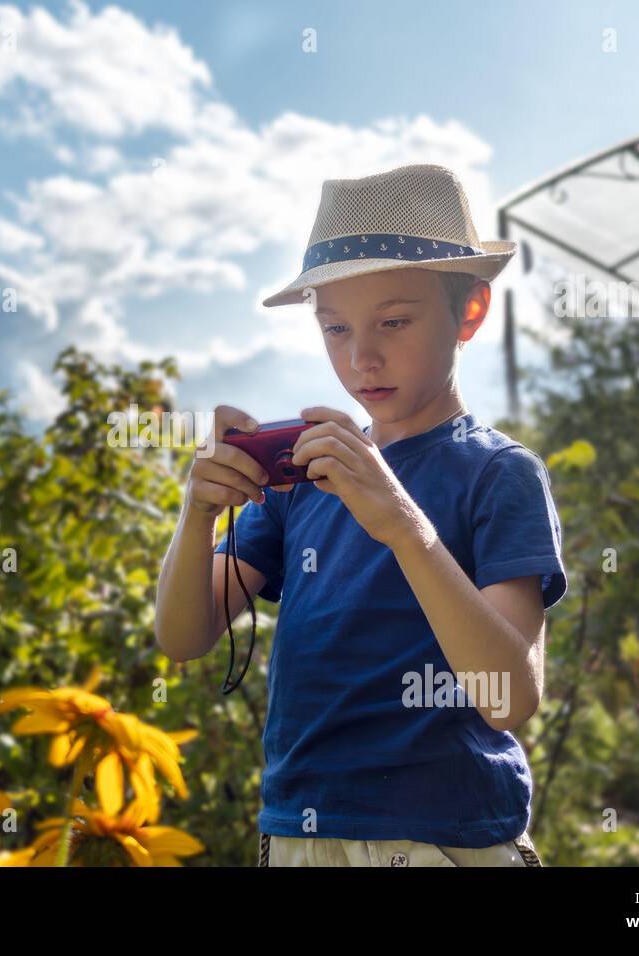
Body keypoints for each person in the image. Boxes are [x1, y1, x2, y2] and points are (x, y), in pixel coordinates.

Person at [153, 164, 566, 867]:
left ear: (470, 313)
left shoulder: (499, 474)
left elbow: (508, 698)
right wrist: (196, 514)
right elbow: (183, 635)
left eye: (394, 322)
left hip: (451, 836)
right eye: (335, 327)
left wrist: (403, 525)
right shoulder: (306, 479)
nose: (361, 356)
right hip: (300, 835)